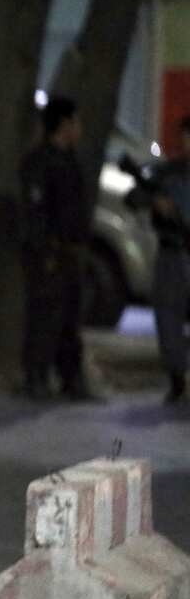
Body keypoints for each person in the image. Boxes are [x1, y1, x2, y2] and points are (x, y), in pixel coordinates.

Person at [18, 96, 96, 401]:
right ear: (65, 124)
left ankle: (70, 378)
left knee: (68, 319)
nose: (80, 128)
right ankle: (36, 377)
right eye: (76, 121)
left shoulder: (71, 161)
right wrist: (45, 251)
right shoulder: (40, 162)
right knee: (44, 317)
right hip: (49, 254)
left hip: (71, 253)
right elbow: (36, 212)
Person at [127, 116, 190, 405]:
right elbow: (135, 196)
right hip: (172, 251)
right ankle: (178, 379)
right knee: (168, 319)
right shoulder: (169, 172)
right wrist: (156, 203)